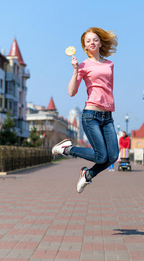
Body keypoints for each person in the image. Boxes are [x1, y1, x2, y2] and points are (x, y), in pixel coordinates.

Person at [52, 27, 119, 193]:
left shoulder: (109, 64)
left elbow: (108, 88)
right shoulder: (83, 65)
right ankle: (67, 150)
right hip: (91, 116)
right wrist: (75, 70)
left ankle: (87, 174)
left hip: (108, 116)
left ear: (100, 42)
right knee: (101, 156)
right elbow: (71, 92)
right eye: (88, 41)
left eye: (95, 39)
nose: (92, 42)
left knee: (113, 156)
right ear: (85, 46)